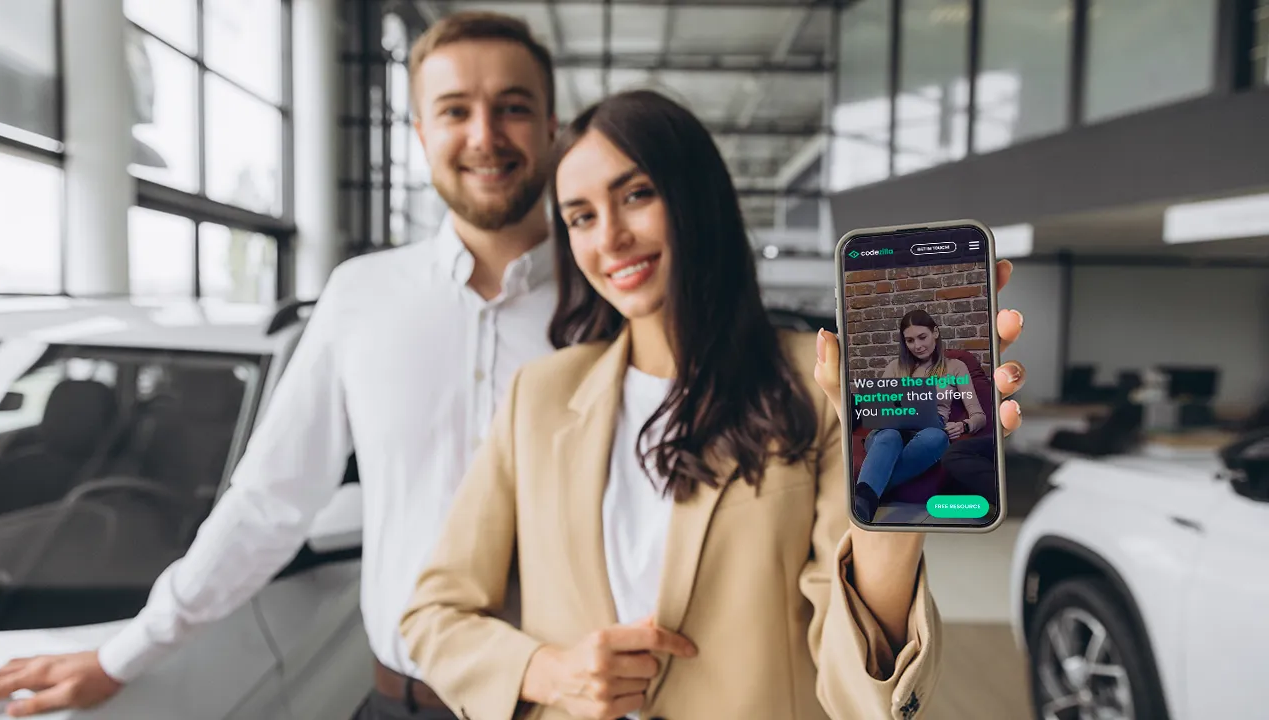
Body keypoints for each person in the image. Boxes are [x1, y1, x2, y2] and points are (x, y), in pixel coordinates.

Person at [0, 11, 562, 720]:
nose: (484, 135)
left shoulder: (614, 309)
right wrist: (120, 656)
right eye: (455, 111)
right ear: (420, 132)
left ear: (551, 127)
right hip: (409, 703)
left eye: (513, 107)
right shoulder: (362, 296)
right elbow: (269, 502)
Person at [398, 89, 1029, 720]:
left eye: (636, 195)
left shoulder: (816, 388)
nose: (610, 236)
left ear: (695, 198)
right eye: (581, 217)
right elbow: (433, 616)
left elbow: (860, 694)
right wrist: (548, 673)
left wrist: (900, 511)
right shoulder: (538, 398)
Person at [852, 309, 990, 522]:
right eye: (910, 340)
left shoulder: (956, 368)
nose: (917, 345)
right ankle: (865, 503)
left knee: (936, 437)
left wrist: (964, 425)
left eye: (922, 337)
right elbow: (881, 407)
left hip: (929, 432)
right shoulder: (894, 368)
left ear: (935, 332)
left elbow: (979, 415)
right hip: (888, 433)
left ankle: (866, 494)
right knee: (889, 436)